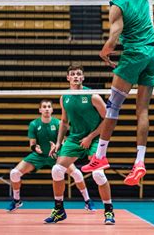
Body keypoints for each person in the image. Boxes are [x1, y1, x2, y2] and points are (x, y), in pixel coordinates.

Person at [81, 0, 154, 187]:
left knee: (113, 105)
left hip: (134, 55)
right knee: (142, 110)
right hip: (152, 55)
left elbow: (114, 37)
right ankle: (140, 161)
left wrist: (104, 53)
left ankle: (101, 156)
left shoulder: (116, 4)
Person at [44, 65, 115, 225]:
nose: (76, 76)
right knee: (57, 169)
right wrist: (58, 142)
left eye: (78, 74)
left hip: (95, 138)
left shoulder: (93, 96)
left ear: (83, 78)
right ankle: (59, 210)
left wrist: (90, 137)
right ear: (68, 78)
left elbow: (109, 119)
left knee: (98, 174)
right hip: (74, 139)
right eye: (72, 74)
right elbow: (63, 121)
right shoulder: (64, 98)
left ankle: (109, 211)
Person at [7, 99, 95, 212]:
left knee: (77, 174)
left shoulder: (58, 123)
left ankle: (87, 201)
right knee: (14, 173)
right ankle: (16, 200)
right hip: (39, 156)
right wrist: (35, 148)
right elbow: (32, 144)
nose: (47, 108)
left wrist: (58, 146)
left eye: (49, 106)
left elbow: (64, 141)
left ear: (52, 109)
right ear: (40, 110)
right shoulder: (34, 124)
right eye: (44, 106)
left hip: (56, 155)